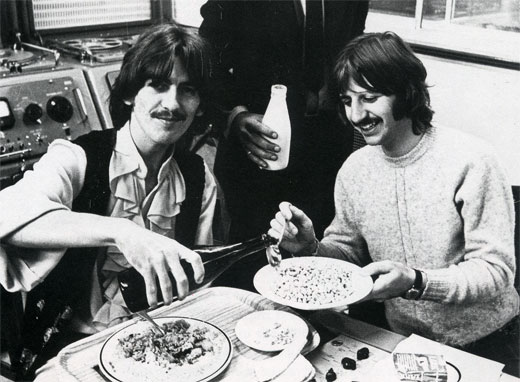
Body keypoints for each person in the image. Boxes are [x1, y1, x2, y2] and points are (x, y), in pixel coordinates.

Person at [270, 32, 519, 375]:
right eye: (347, 100)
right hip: (402, 343)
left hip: (489, 343)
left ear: (406, 92)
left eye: (369, 98)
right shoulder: (354, 170)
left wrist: (416, 281)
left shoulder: (472, 161)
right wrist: (310, 248)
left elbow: (496, 272)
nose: (356, 116)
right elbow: (348, 256)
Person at [0, 22, 217, 377]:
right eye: (158, 85)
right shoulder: (78, 158)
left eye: (188, 90)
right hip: (72, 350)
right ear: (130, 93)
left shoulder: (200, 178)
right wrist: (121, 231)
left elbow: (203, 281)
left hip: (164, 349)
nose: (172, 104)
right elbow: (3, 214)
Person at [199, 0, 369, 291]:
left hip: (327, 153)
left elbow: (352, 52)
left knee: (317, 270)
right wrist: (233, 115)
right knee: (250, 275)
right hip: (259, 151)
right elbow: (205, 58)